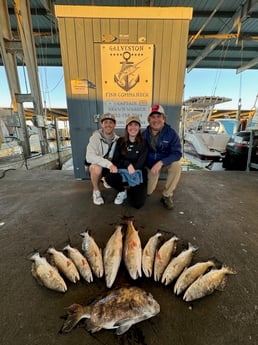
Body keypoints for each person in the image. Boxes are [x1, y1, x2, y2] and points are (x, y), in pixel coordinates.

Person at [143, 104, 182, 210]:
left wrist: (161, 163)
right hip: (150, 166)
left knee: (176, 166)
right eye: (153, 117)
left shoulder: (172, 133)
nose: (156, 120)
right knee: (148, 192)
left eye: (159, 116)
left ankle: (167, 195)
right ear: (149, 120)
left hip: (164, 164)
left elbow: (177, 154)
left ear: (164, 118)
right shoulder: (144, 134)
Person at [105, 115, 148, 209]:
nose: (133, 127)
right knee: (109, 177)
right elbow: (116, 160)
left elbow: (141, 163)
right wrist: (127, 164)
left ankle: (131, 188)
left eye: (136, 125)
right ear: (127, 127)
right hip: (122, 171)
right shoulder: (120, 141)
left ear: (139, 127)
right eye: (130, 125)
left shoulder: (143, 143)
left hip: (136, 173)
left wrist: (132, 168)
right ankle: (122, 190)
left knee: (137, 204)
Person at [86, 113, 119, 206]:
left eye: (111, 122)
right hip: (100, 166)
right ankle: (96, 191)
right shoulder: (95, 138)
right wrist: (108, 164)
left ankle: (107, 180)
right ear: (102, 124)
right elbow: (89, 157)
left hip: (110, 167)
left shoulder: (118, 139)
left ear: (114, 125)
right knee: (97, 168)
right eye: (106, 122)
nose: (108, 124)